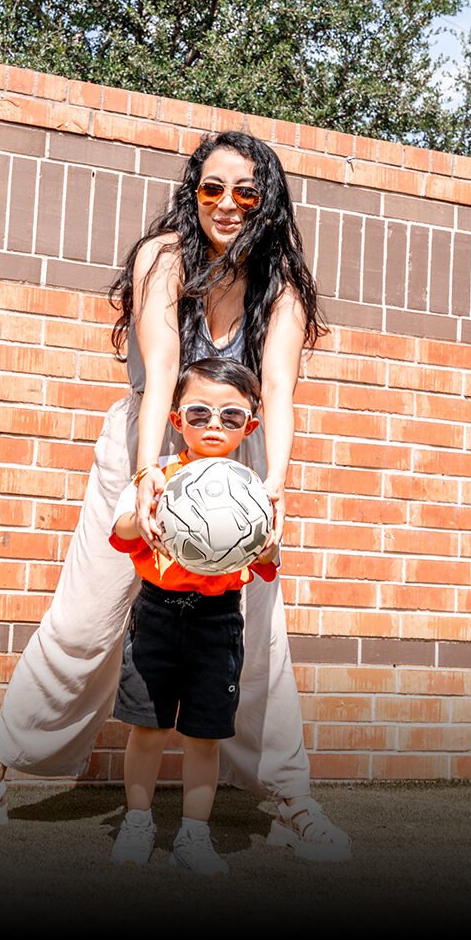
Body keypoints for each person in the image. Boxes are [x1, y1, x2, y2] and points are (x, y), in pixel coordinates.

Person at [0, 130, 351, 862]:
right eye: (212, 188)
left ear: (268, 200)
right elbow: (159, 373)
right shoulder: (163, 256)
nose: (227, 204)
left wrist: (274, 487)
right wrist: (146, 474)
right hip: (147, 446)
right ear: (195, 193)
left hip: (233, 463)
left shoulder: (279, 279)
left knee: (253, 639)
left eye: (246, 191)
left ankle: (290, 800)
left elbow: (279, 390)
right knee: (86, 620)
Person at [108, 357, 278, 876]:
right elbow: (120, 532)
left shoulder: (253, 491)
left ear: (249, 427)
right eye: (199, 413)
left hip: (218, 621)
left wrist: (268, 544)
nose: (213, 426)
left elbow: (268, 565)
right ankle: (138, 822)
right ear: (177, 420)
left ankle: (193, 835)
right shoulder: (155, 477)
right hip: (158, 614)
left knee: (205, 736)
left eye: (231, 418)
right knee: (150, 729)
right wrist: (145, 513)